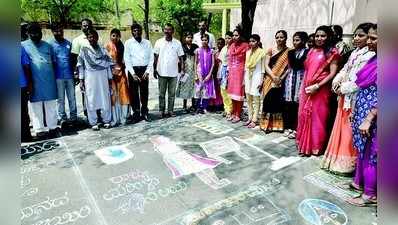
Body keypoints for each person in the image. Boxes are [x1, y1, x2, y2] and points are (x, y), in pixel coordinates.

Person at [321, 23, 375, 175]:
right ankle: (336, 161)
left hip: (356, 98)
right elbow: (345, 69)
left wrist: (344, 87)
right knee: (341, 128)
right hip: (344, 97)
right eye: (355, 35)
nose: (357, 38)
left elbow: (362, 80)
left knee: (350, 132)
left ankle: (348, 165)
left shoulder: (371, 55)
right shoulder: (355, 52)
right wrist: (336, 80)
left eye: (361, 35)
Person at [296, 25, 340, 156]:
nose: (319, 38)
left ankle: (315, 147)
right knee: (303, 115)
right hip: (307, 88)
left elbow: (332, 73)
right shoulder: (311, 51)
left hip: (321, 90)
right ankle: (304, 145)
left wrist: (318, 86)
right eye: (317, 36)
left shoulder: (332, 53)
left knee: (317, 118)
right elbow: (307, 71)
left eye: (323, 36)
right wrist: (303, 88)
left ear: (328, 37)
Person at [347, 23, 377, 206]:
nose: (369, 41)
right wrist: (357, 110)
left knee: (373, 155)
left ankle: (371, 195)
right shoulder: (375, 58)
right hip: (363, 110)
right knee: (363, 151)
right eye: (370, 37)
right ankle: (360, 184)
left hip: (376, 117)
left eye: (374, 38)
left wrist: (369, 118)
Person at [22, 23, 59, 138]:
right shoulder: (23, 46)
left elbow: (53, 62)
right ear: (28, 34)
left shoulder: (48, 46)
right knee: (35, 106)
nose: (36, 35)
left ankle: (52, 127)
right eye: (33, 33)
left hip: (49, 81)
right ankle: (39, 129)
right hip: (34, 81)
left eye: (38, 32)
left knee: (51, 104)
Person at [77, 29, 113, 131]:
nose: (92, 39)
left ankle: (106, 120)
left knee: (105, 98)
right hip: (90, 77)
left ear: (97, 38)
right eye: (90, 37)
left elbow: (108, 66)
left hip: (103, 78)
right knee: (91, 99)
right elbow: (81, 66)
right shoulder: (84, 50)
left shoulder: (103, 50)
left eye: (93, 37)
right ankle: (93, 121)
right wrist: (81, 80)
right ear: (87, 38)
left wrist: (110, 79)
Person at [260, 30, 290, 133]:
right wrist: (273, 76)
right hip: (270, 79)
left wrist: (281, 78)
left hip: (281, 80)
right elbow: (266, 65)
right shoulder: (271, 50)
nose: (279, 39)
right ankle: (266, 125)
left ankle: (276, 126)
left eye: (281, 37)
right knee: (267, 101)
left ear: (286, 38)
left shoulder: (289, 52)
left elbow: (288, 68)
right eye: (277, 37)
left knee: (277, 103)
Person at [48, 23, 78, 126]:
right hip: (58, 76)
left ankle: (74, 117)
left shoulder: (68, 44)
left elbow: (73, 60)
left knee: (72, 98)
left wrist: (75, 74)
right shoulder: (50, 45)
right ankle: (62, 118)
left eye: (61, 30)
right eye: (56, 31)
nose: (59, 33)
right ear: (52, 32)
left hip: (69, 75)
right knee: (60, 99)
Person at [153, 23, 185, 118]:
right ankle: (161, 110)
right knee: (161, 93)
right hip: (161, 71)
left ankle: (170, 110)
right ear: (164, 31)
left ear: (173, 31)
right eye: (166, 29)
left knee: (172, 94)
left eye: (169, 29)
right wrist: (154, 69)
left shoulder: (177, 43)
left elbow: (181, 58)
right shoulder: (159, 42)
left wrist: (182, 69)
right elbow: (155, 57)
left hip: (173, 72)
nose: (167, 31)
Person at [283, 31, 309, 138]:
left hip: (301, 79)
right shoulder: (291, 52)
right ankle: (288, 126)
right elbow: (291, 66)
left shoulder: (308, 52)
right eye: (294, 40)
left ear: (303, 41)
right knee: (289, 104)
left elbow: (301, 65)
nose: (295, 42)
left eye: (297, 40)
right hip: (290, 80)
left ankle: (296, 128)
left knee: (298, 104)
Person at [105, 28, 130, 126]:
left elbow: (125, 60)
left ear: (120, 37)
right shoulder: (107, 46)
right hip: (111, 75)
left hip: (121, 74)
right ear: (110, 36)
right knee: (113, 96)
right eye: (113, 35)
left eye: (117, 36)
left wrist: (121, 68)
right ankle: (115, 119)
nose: (115, 38)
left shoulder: (122, 46)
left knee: (123, 95)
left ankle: (123, 119)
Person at [227, 28, 249, 123]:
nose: (234, 37)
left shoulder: (246, 46)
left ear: (241, 36)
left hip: (241, 72)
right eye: (233, 35)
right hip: (232, 72)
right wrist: (228, 72)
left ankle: (238, 114)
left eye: (237, 35)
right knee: (232, 94)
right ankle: (233, 112)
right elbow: (229, 60)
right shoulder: (231, 45)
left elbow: (247, 60)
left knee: (238, 93)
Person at [244, 34, 265, 129]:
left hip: (257, 77)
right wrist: (243, 80)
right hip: (248, 77)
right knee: (248, 98)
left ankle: (255, 119)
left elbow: (263, 68)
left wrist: (261, 80)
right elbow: (245, 67)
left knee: (256, 99)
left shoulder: (262, 52)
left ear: (258, 42)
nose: (251, 43)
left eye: (254, 41)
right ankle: (249, 117)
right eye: (250, 41)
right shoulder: (248, 52)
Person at [176, 32, 198, 113]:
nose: (190, 39)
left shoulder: (195, 47)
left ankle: (193, 105)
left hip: (193, 69)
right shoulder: (182, 47)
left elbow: (197, 58)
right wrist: (181, 70)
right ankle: (184, 105)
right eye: (188, 37)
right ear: (185, 38)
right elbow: (179, 59)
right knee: (184, 86)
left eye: (191, 37)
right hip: (185, 70)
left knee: (193, 87)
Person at [194, 34, 216, 114]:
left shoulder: (211, 51)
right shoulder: (197, 51)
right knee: (198, 90)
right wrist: (196, 74)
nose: (204, 41)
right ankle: (198, 107)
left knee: (206, 91)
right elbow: (196, 63)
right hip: (199, 73)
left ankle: (204, 107)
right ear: (201, 41)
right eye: (203, 40)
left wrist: (210, 74)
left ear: (208, 41)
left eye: (206, 40)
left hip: (208, 73)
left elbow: (213, 64)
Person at [21, 22, 32, 142]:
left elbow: (26, 66)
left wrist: (29, 83)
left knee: (23, 111)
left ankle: (26, 135)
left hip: (21, 85)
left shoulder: (20, 47)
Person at [218, 31, 233, 119]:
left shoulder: (233, 48)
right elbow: (220, 62)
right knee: (223, 91)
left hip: (230, 71)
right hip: (223, 71)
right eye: (226, 38)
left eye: (229, 38)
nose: (227, 40)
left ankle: (230, 111)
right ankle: (226, 109)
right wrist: (219, 73)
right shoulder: (224, 48)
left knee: (228, 92)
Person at [208, 38, 225, 112]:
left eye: (221, 43)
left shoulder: (225, 52)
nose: (219, 45)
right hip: (215, 74)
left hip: (223, 73)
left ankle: (220, 104)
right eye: (218, 43)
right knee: (214, 89)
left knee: (220, 90)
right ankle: (212, 104)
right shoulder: (215, 53)